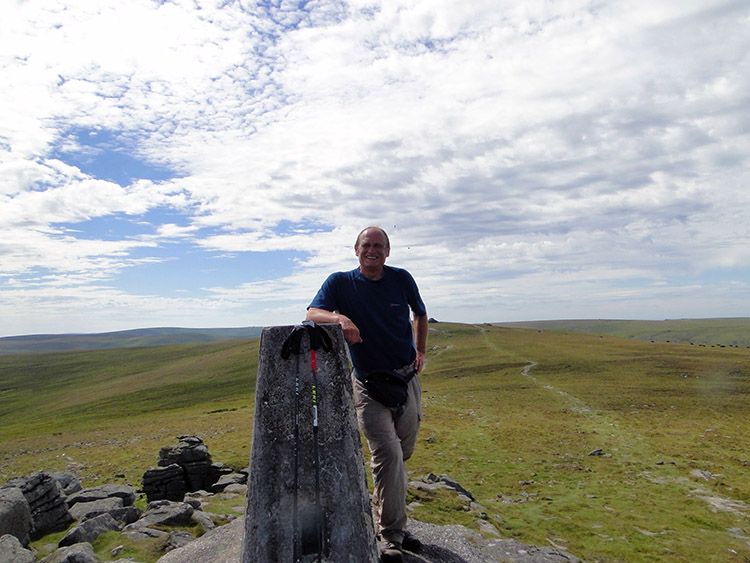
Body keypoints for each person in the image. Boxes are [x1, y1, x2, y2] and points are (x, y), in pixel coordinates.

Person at [306, 226, 428, 562]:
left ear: (388, 251)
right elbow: (311, 313)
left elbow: (420, 312)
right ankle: (391, 535)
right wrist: (340, 317)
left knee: (402, 454)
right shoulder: (340, 283)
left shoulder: (401, 278)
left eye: (379, 245)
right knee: (387, 455)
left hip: (405, 380)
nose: (372, 250)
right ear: (355, 249)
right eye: (366, 244)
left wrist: (421, 350)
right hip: (368, 384)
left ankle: (390, 518)